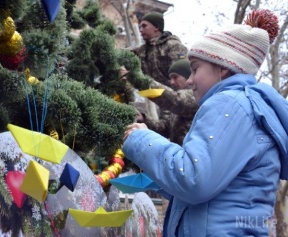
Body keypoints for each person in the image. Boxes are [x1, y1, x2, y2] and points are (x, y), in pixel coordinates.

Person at [122, 9, 287, 237]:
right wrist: (158, 176)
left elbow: (194, 180)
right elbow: (215, 190)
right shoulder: (247, 107)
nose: (189, 80)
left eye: (195, 68)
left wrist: (141, 139)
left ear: (223, 67)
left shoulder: (229, 103)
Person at [137, 59, 198, 145]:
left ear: (188, 77)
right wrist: (143, 119)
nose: (172, 82)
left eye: (175, 77)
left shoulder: (196, 96)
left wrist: (138, 80)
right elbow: (165, 128)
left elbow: (176, 101)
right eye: (170, 78)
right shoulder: (172, 105)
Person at [131, 12, 188, 85]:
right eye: (140, 27)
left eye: (144, 26)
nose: (141, 30)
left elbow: (181, 74)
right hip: (149, 93)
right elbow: (121, 53)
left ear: (156, 27)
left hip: (174, 93)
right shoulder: (142, 50)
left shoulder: (174, 46)